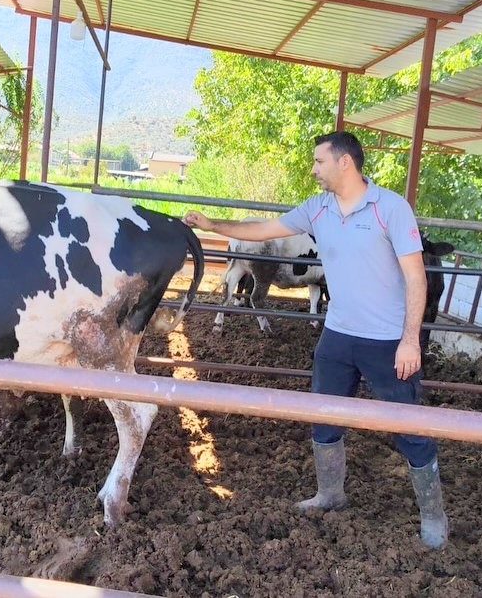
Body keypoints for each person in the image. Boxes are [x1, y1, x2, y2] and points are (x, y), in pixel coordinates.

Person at [182, 130, 448, 549]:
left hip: (386, 340)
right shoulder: (318, 208)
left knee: (408, 426)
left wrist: (410, 340)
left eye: (318, 161)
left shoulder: (391, 209)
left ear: (345, 162)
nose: (313, 169)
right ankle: (330, 493)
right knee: (323, 415)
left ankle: (433, 515)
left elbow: (417, 275)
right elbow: (264, 228)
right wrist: (213, 223)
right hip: (337, 336)